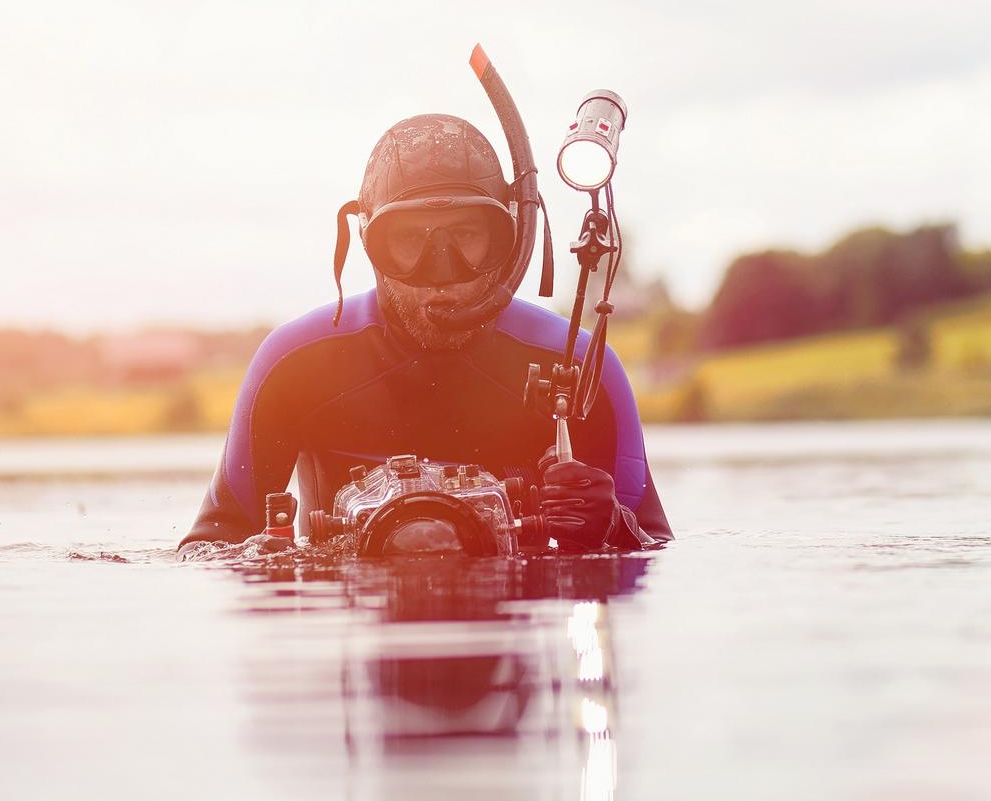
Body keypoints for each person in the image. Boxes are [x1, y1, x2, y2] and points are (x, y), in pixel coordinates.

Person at [178, 112, 671, 557]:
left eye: (469, 237)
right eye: (410, 240)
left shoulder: (582, 369)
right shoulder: (296, 366)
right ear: (369, 244)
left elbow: (656, 549)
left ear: (511, 240)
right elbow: (208, 548)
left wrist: (615, 527)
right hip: (355, 635)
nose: (442, 270)